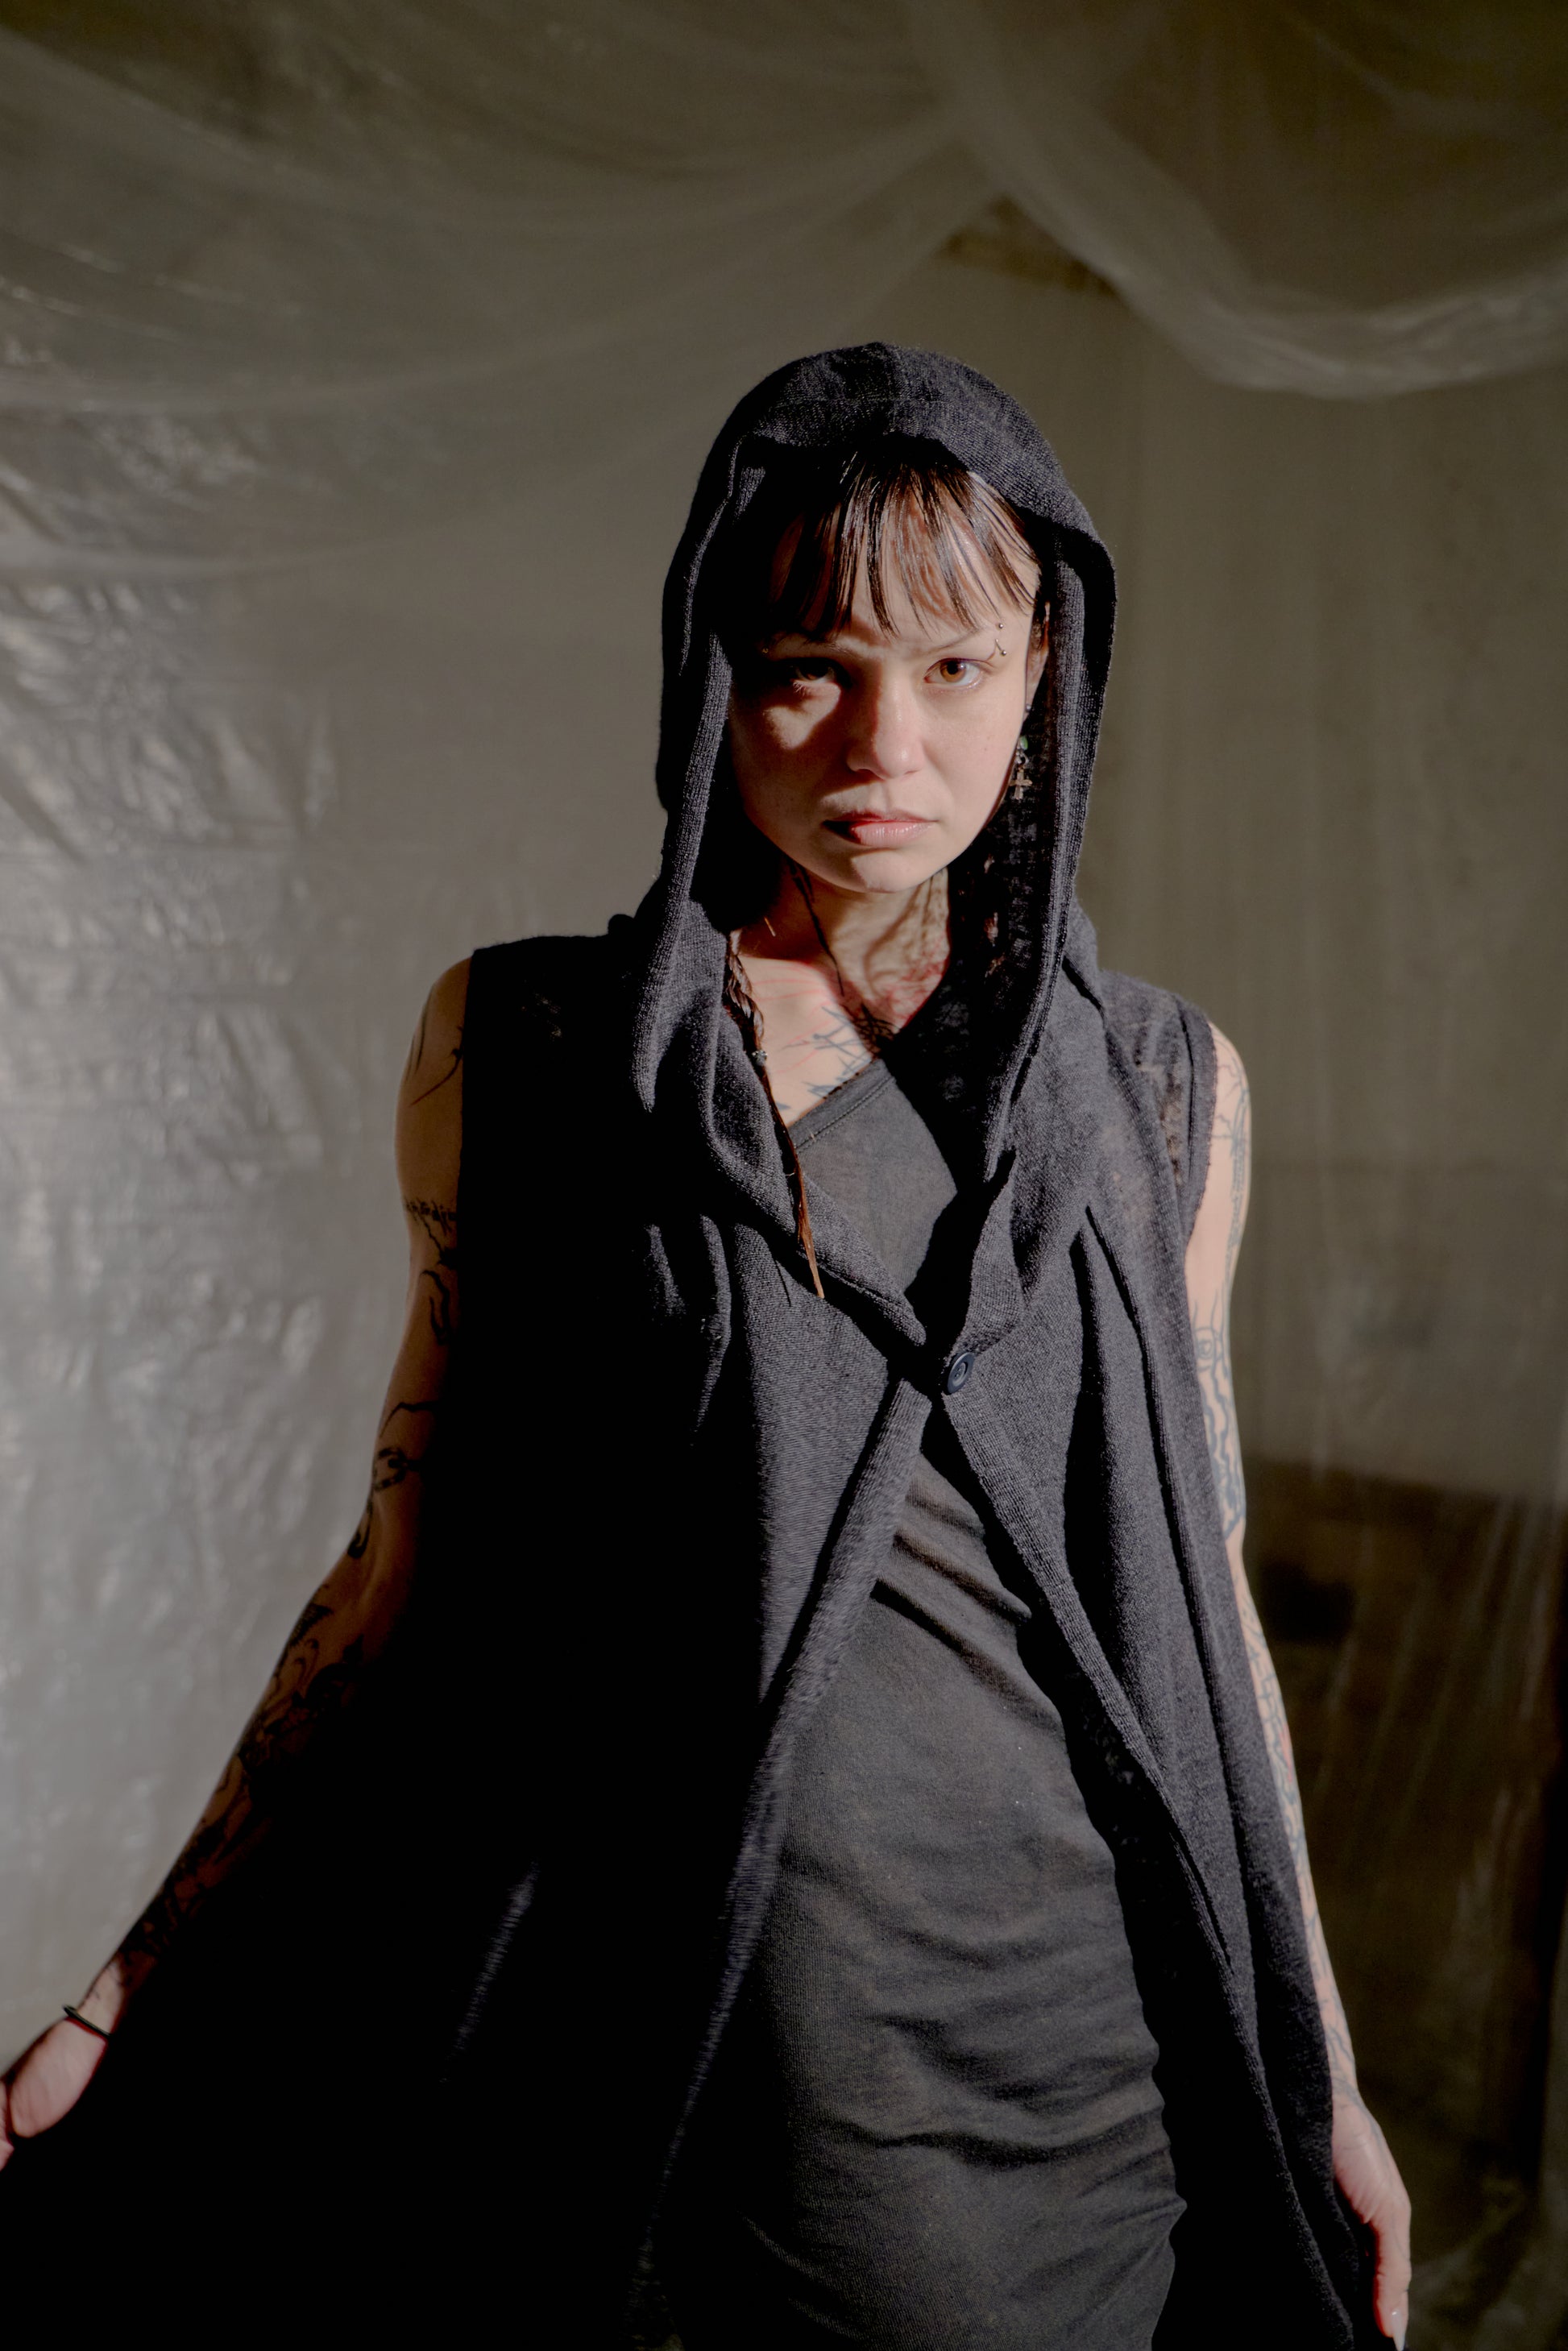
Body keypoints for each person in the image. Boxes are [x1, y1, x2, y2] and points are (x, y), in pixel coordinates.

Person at [0, 345, 1408, 2347]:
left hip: (1065, 2041)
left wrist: (1317, 2066)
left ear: (1043, 675)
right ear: (714, 675)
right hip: (662, 2007)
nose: (883, 745)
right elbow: (405, 1565)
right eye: (810, 666)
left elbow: (1202, 1603)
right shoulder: (534, 1050)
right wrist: (128, 1980)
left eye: (955, 667)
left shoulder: (1165, 1089)